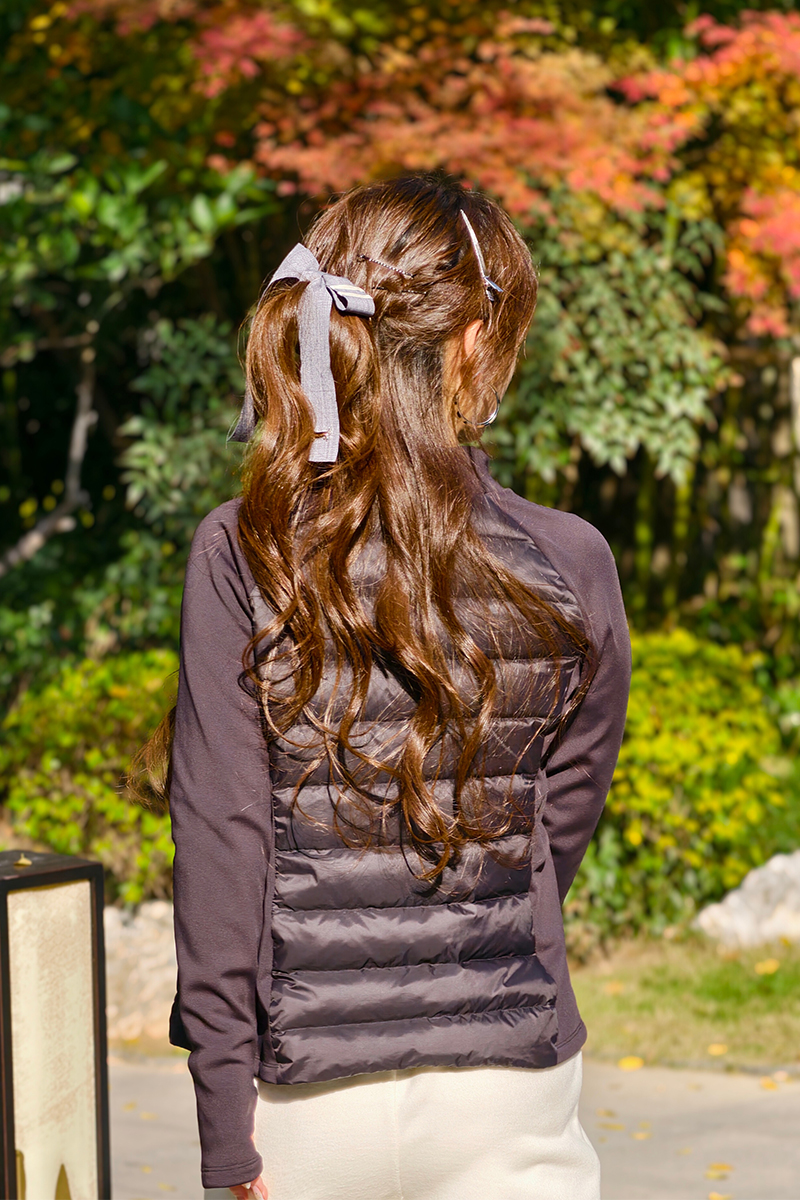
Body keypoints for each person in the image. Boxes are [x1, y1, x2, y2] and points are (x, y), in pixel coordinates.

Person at [137, 174, 631, 1200]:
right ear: (472, 342)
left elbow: (221, 839)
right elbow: (557, 823)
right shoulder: (570, 558)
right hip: (506, 1080)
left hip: (302, 1099)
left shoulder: (243, 551)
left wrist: (225, 1122)